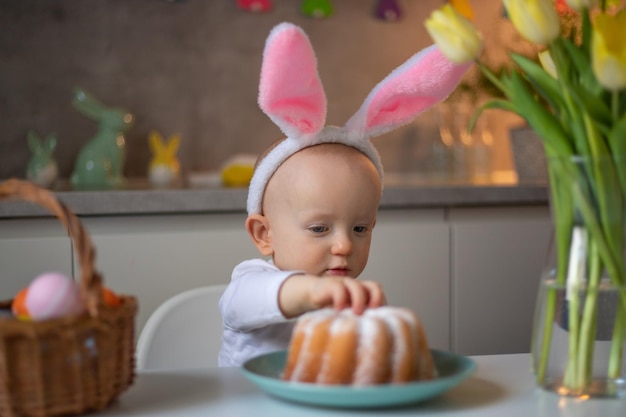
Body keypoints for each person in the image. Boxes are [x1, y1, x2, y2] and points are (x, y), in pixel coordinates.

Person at [218, 22, 470, 367]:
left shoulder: (349, 296)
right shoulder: (251, 283)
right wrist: (311, 292)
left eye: (360, 228)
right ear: (264, 234)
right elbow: (247, 303)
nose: (344, 246)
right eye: (319, 228)